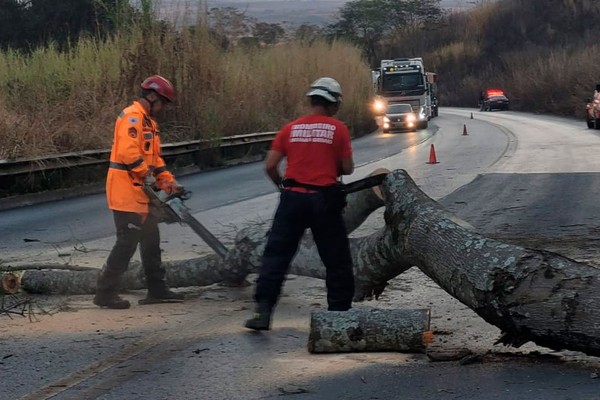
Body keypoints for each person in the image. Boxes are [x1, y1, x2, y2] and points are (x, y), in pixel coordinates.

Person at [245, 77, 355, 331]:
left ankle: (262, 312)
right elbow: (347, 168)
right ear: (333, 103)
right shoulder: (338, 129)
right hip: (324, 200)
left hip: (292, 198)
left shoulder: (290, 129)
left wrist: (284, 187)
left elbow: (270, 166)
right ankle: (338, 315)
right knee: (336, 259)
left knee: (276, 256)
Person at [94, 75, 185, 309]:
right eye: (162, 103)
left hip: (143, 194)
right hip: (126, 193)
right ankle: (105, 293)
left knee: (151, 241)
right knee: (126, 243)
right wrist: (149, 179)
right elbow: (128, 154)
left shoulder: (149, 124)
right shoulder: (132, 117)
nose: (163, 108)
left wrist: (168, 182)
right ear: (152, 97)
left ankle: (157, 289)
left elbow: (155, 160)